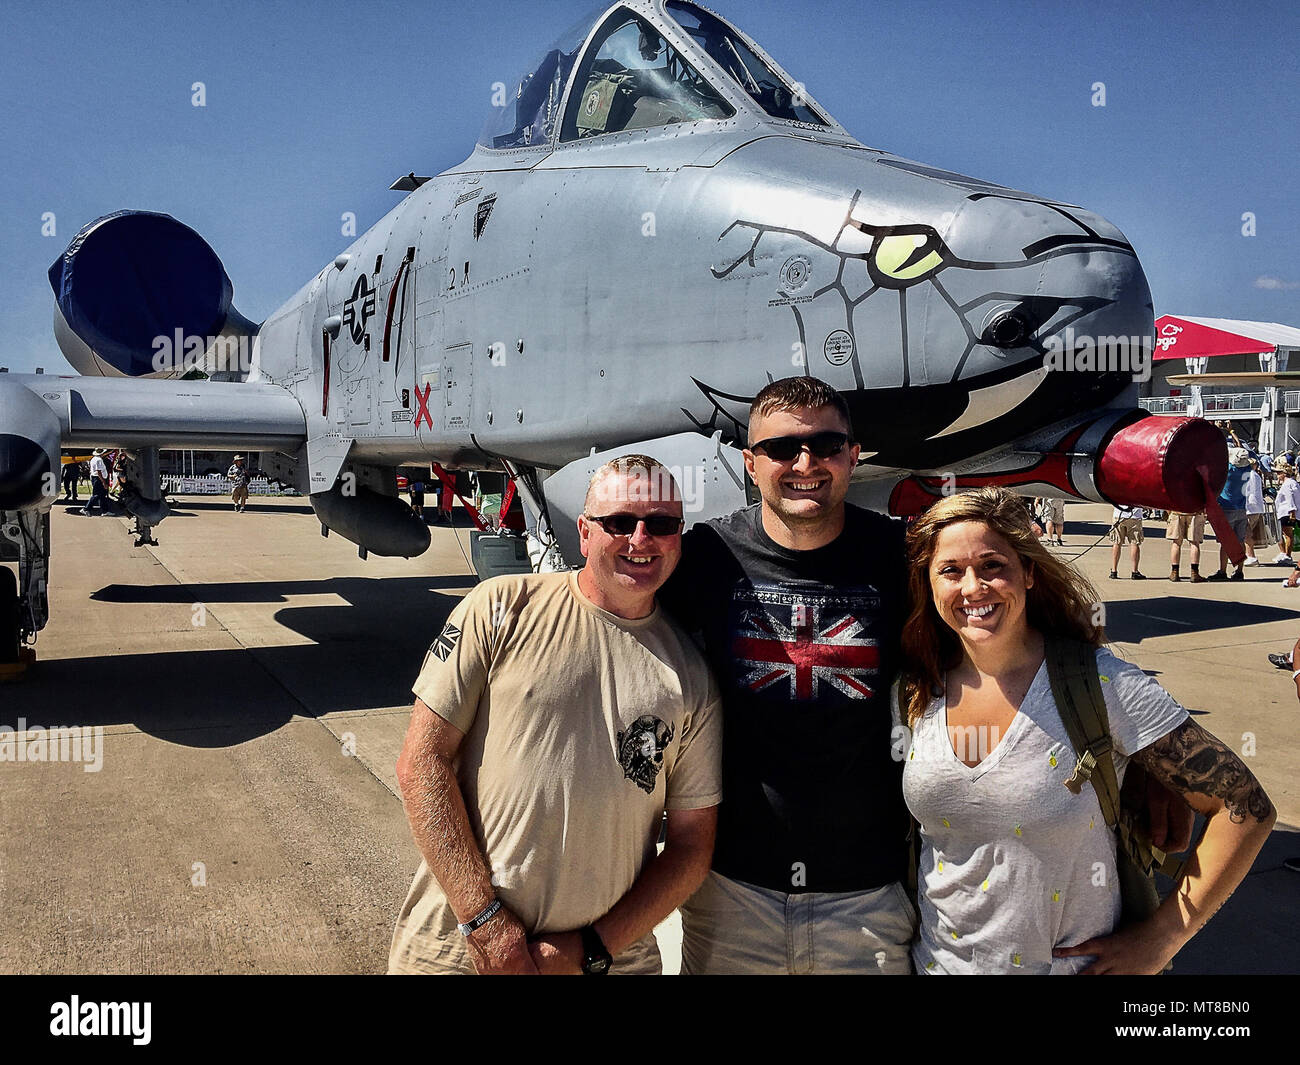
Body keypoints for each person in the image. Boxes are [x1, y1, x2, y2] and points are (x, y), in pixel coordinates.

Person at [896, 487, 1275, 974]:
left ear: (1029, 572)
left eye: (993, 565)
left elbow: (1245, 806)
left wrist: (1162, 939)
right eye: (951, 571)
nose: (973, 588)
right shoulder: (916, 690)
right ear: (928, 585)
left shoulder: (1100, 683)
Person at [388, 455, 722, 975]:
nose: (641, 538)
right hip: (459, 952)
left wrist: (591, 949)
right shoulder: (499, 607)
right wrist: (486, 923)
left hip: (609, 962)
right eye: (619, 523)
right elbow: (421, 764)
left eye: (661, 523)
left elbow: (690, 848)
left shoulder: (692, 677)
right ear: (585, 534)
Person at [661, 376, 916, 974]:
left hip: (868, 897)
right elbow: (604, 622)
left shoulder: (907, 556)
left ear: (854, 456)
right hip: (731, 893)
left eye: (827, 446)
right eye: (780, 449)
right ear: (751, 464)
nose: (806, 463)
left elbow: (1015, 637)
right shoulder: (704, 558)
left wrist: (1138, 755)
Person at [1208, 448, 1252, 581]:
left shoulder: (1229, 470)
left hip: (1227, 508)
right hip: (1241, 508)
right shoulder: (1247, 469)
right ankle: (1239, 570)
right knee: (1240, 541)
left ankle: (1222, 570)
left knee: (1226, 542)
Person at [1165, 510, 1206, 583]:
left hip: (1176, 511)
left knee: (1176, 543)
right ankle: (1194, 573)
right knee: (1194, 543)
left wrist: (1168, 511)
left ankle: (1174, 572)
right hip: (1194, 511)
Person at [1108, 503, 1145, 580]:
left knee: (1117, 542)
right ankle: (1134, 571)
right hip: (1135, 515)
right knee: (1134, 543)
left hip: (1119, 514)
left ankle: (1114, 571)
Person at [1242, 459, 1266, 566]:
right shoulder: (1256, 475)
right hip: (1256, 507)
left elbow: (1245, 491)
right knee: (1247, 532)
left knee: (1246, 533)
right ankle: (1246, 555)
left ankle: (1251, 556)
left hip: (1250, 507)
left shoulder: (1247, 475)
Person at [1273, 462, 1298, 565]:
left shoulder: (1287, 484)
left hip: (1286, 511)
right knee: (1282, 534)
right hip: (1285, 511)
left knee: (1287, 535)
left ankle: (1287, 555)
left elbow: (1290, 498)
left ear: (1284, 473)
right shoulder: (1292, 482)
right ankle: (1284, 554)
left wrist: (1292, 511)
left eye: (1279, 473)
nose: (1277, 475)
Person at [83, 449, 110, 516]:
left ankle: (104, 511)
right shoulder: (99, 460)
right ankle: (86, 509)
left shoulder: (93, 459)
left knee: (102, 495)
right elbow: (99, 472)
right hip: (98, 479)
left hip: (95, 478)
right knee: (96, 495)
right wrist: (103, 482)